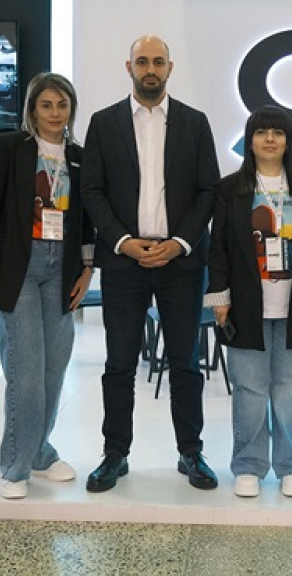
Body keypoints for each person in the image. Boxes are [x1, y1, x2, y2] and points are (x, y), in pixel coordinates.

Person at [81, 35, 220, 492]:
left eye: (158, 62)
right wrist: (123, 241)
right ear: (129, 67)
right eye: (142, 62)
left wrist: (180, 242)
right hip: (125, 261)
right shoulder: (104, 123)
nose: (150, 70)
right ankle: (115, 454)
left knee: (185, 363)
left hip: (180, 263)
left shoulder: (195, 123)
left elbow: (208, 190)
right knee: (119, 363)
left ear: (170, 68)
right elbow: (92, 191)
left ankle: (191, 452)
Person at [205, 105, 292, 498]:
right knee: (249, 390)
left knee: (291, 392)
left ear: (289, 141)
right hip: (246, 305)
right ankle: (248, 465)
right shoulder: (231, 188)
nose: (270, 139)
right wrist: (220, 296)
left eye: (278, 132)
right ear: (250, 140)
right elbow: (219, 247)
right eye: (262, 132)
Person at [0, 73, 95, 500]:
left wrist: (88, 268)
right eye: (46, 105)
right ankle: (16, 464)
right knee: (25, 372)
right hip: (20, 267)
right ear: (32, 109)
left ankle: (40, 451)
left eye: (62, 105)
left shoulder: (79, 157)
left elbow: (86, 219)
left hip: (62, 267)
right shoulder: (12, 148)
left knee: (53, 369)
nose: (54, 113)